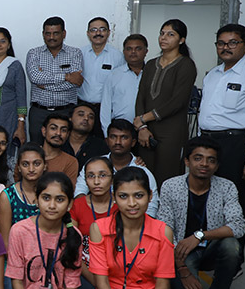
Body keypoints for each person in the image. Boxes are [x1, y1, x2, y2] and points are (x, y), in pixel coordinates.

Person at [198, 23, 245, 270]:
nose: (226, 48)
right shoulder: (212, 75)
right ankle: (209, 254)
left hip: (235, 145)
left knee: (234, 203)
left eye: (232, 43)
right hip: (208, 144)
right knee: (208, 199)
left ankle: (233, 261)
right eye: (221, 43)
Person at [158, 137, 245, 289]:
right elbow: (164, 230)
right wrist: (182, 269)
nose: (204, 164)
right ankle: (174, 277)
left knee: (232, 245)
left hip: (210, 249)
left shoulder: (227, 187)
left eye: (211, 160)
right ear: (187, 161)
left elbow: (238, 226)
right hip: (180, 252)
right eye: (198, 158)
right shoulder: (170, 186)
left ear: (217, 166)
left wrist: (200, 236)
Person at [134, 19, 198, 184]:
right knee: (145, 177)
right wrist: (142, 127)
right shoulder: (150, 65)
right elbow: (141, 97)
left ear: (181, 40)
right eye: (162, 33)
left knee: (168, 177)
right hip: (147, 132)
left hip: (172, 132)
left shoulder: (186, 65)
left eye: (171, 34)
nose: (164, 38)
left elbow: (177, 102)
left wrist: (144, 118)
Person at [75, 119, 159, 218]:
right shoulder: (95, 165)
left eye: (124, 137)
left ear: (133, 142)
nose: (118, 142)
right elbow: (79, 192)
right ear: (107, 141)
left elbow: (151, 209)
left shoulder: (142, 171)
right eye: (113, 137)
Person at [69, 156, 117, 289]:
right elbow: (73, 249)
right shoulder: (78, 205)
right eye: (91, 176)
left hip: (116, 271)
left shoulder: (122, 204)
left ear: (112, 178)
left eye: (102, 175)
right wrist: (96, 281)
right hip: (85, 270)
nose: (96, 181)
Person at [26, 17, 83, 141]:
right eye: (48, 33)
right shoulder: (34, 53)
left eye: (56, 33)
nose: (51, 37)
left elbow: (75, 82)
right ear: (43, 34)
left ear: (64, 34)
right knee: (37, 149)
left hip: (66, 111)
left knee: (65, 148)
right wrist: (66, 76)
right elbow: (35, 77)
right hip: (39, 112)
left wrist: (45, 84)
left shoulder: (75, 53)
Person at [78, 17, 124, 130]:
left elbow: (120, 85)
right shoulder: (79, 54)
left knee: (102, 138)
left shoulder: (117, 56)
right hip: (81, 107)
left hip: (105, 109)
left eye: (102, 29)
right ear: (88, 33)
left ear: (108, 32)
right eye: (93, 30)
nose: (98, 33)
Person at [0, 142, 45, 246]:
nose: (31, 169)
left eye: (37, 164)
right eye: (25, 164)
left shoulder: (50, 193)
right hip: (16, 253)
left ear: (45, 166)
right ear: (18, 167)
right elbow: (5, 242)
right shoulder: (8, 196)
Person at [100, 34, 148, 137]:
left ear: (146, 51)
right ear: (124, 52)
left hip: (147, 130)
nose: (133, 52)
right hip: (120, 131)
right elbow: (105, 108)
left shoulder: (153, 73)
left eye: (138, 48)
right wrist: (107, 135)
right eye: (129, 49)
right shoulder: (114, 75)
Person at [62, 103, 108, 171]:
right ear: (70, 118)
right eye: (81, 114)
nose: (86, 118)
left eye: (91, 117)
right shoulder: (60, 141)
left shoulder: (100, 146)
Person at [40, 113, 79, 185]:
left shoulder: (70, 162)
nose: (58, 133)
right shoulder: (29, 155)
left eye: (63, 130)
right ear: (44, 131)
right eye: (53, 128)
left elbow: (68, 189)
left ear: (67, 135)